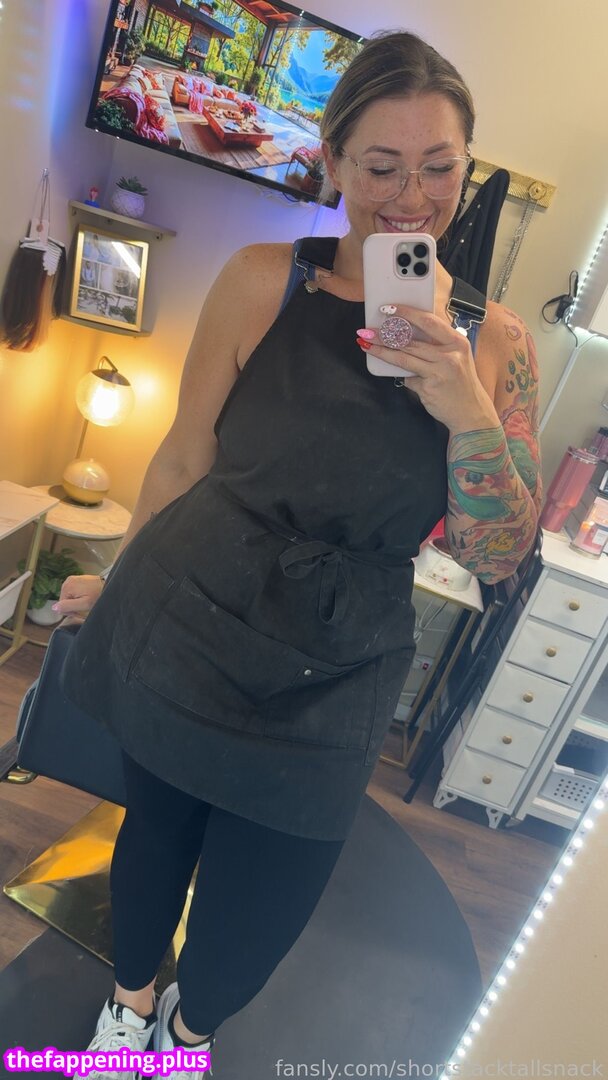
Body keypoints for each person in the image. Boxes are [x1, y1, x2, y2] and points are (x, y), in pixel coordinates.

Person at [55, 30, 541, 1080]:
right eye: (380, 166)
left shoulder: (497, 344)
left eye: (438, 167)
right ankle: (128, 1014)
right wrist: (118, 579)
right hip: (191, 612)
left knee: (258, 914)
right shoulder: (262, 282)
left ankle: (189, 1028)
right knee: (154, 839)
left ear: (467, 168)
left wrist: (464, 407)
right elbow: (184, 456)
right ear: (332, 163)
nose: (409, 199)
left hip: (341, 660)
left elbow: (497, 553)